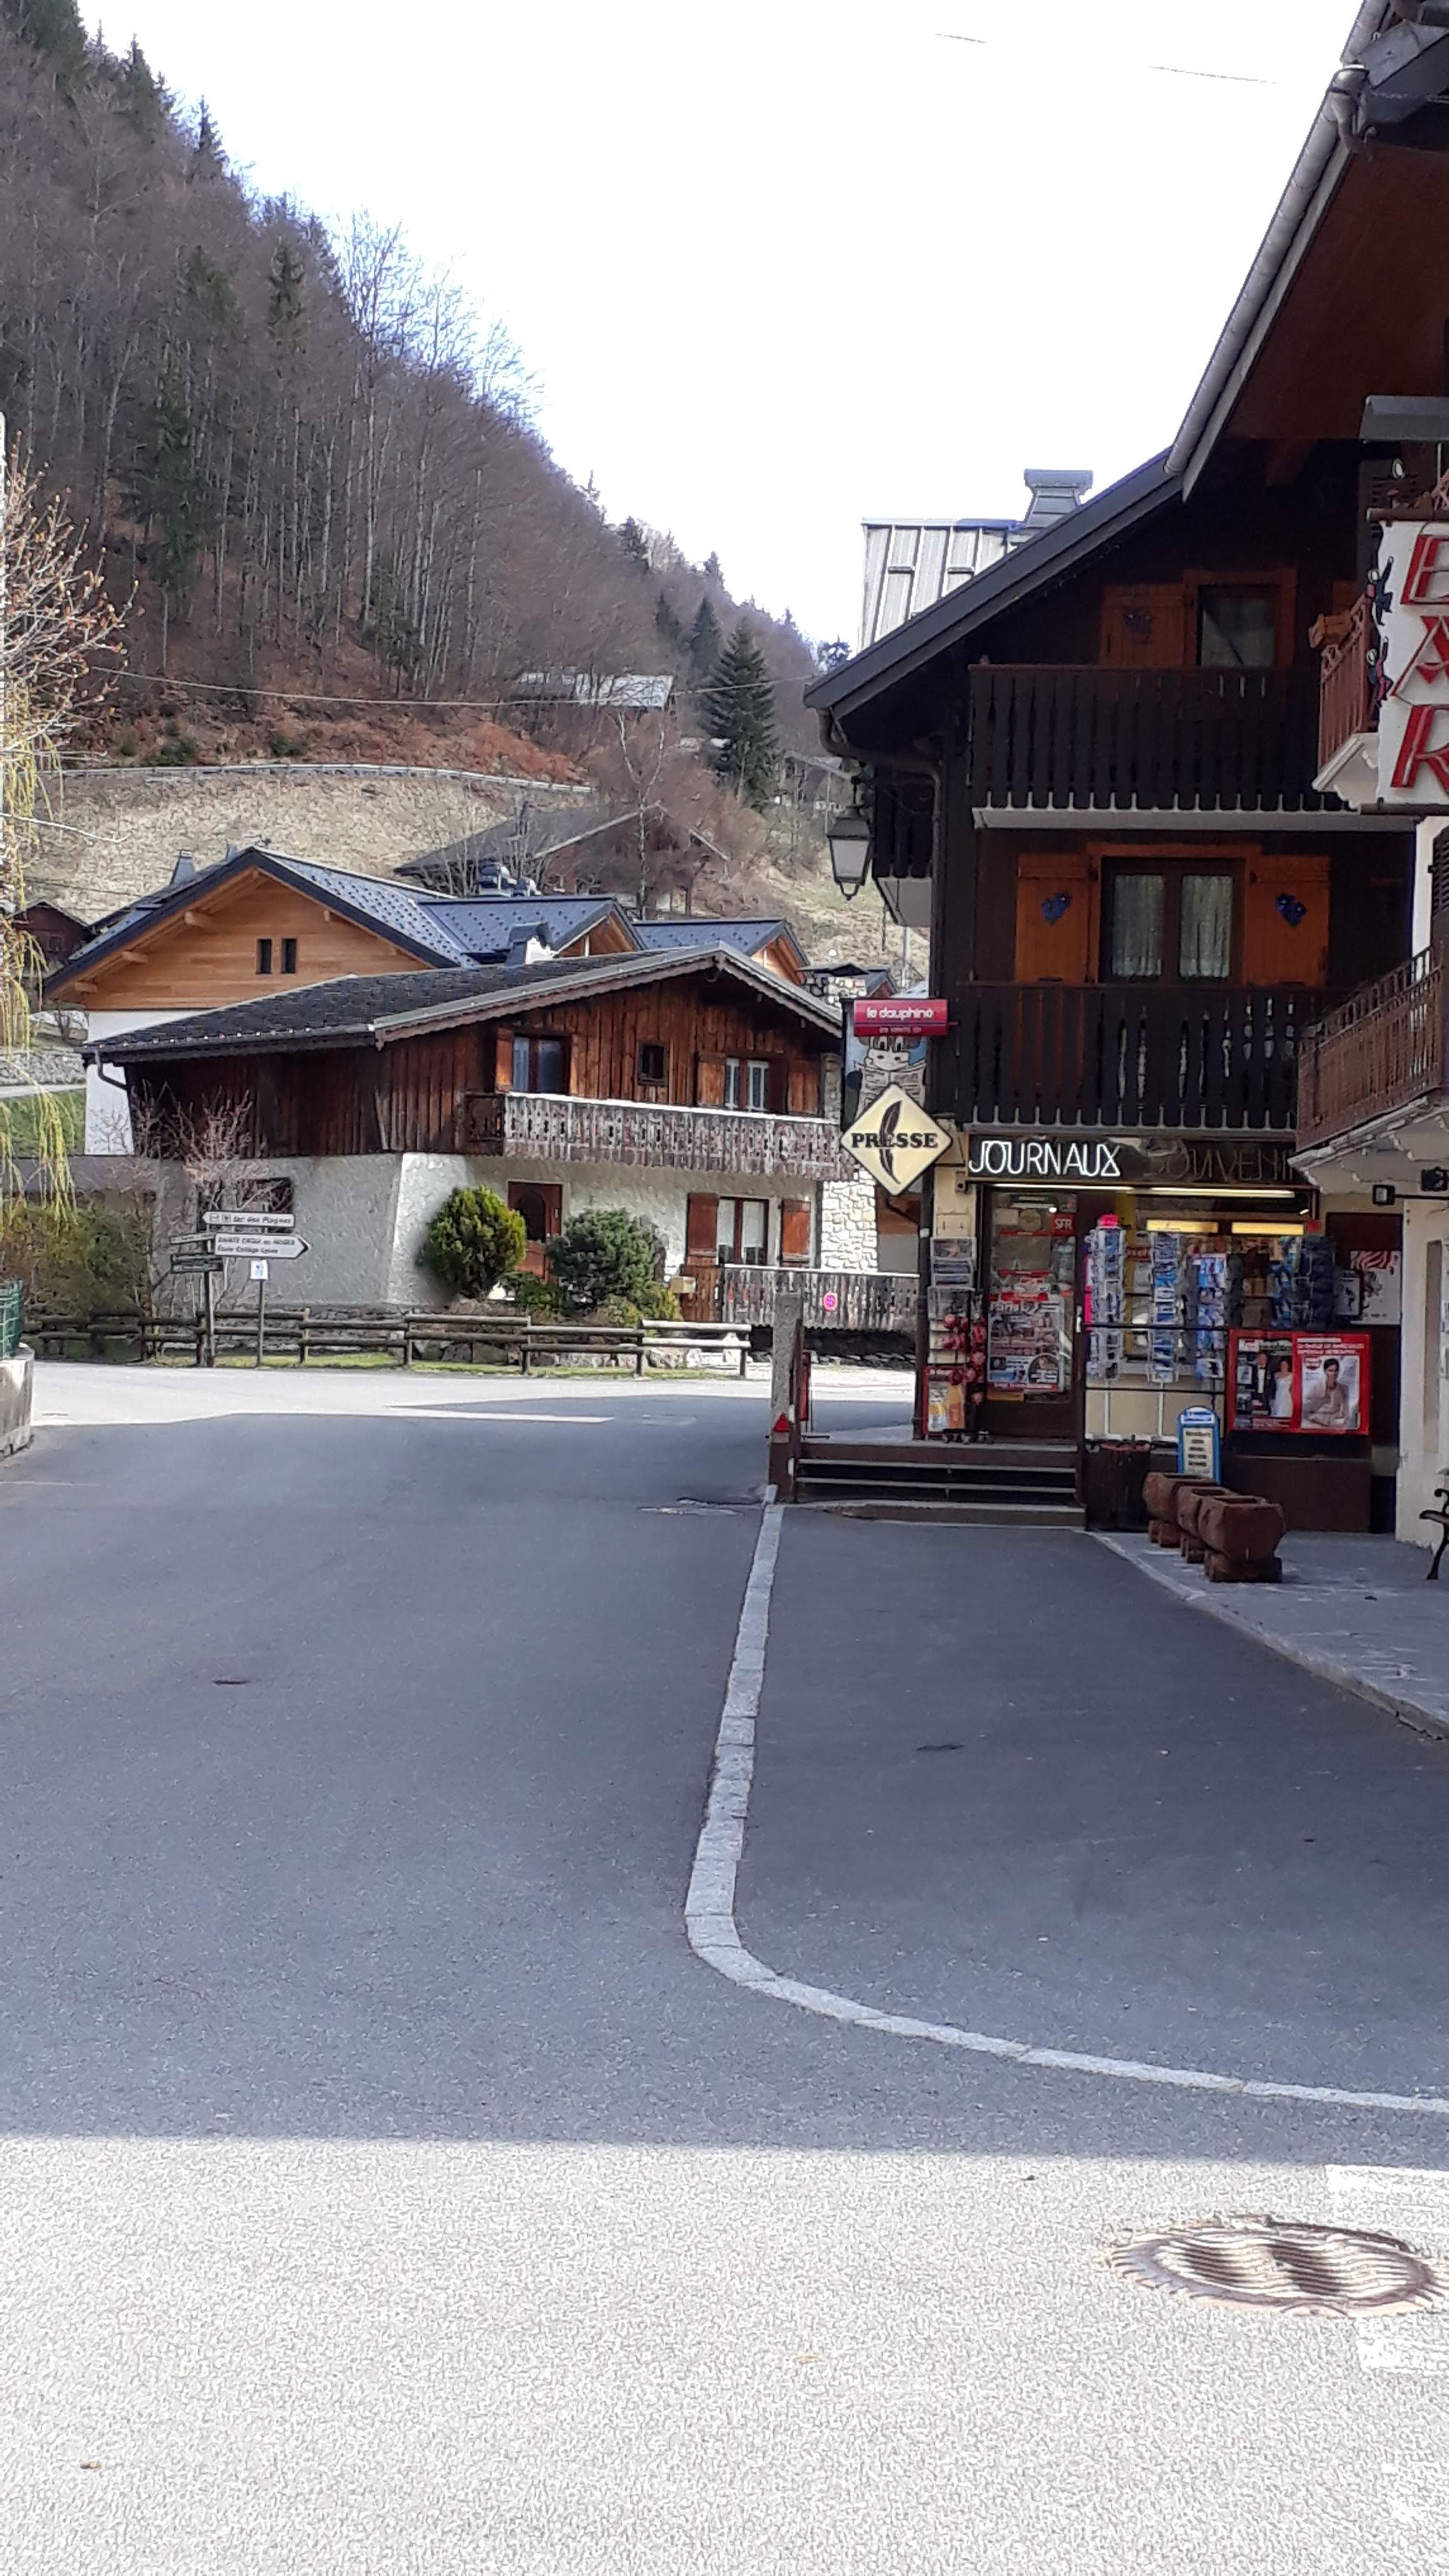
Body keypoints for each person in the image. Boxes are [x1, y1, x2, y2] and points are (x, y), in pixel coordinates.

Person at [1304, 1356, 1350, 1428]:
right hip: (1317, 1422)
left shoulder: (1344, 1389)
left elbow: (1345, 1413)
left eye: (1336, 1370)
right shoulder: (1317, 1388)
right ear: (1325, 1371)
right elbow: (1307, 1411)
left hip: (1336, 1423)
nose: (1334, 1373)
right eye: (1331, 1371)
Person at [1269, 1353, 1295, 1422]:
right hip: (1278, 1395)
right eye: (1282, 1365)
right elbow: (1273, 1387)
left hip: (1287, 1396)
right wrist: (1272, 1398)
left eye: (1285, 1365)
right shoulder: (1276, 1375)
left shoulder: (1292, 1375)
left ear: (1288, 1366)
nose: (1284, 1367)